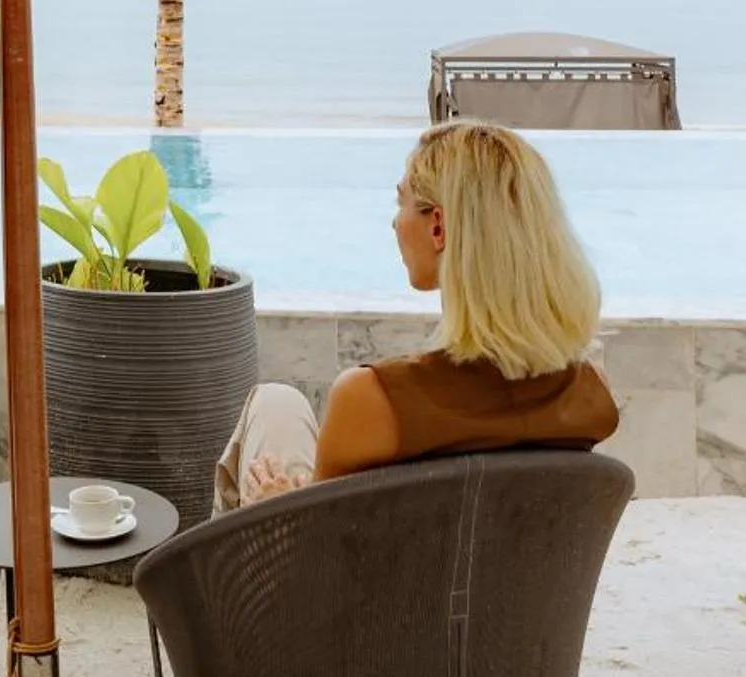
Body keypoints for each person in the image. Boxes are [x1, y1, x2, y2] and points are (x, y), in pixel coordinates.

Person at [215, 118, 619, 511]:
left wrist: (276, 510)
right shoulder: (588, 392)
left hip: (366, 578)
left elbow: (320, 556)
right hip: (503, 575)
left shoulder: (371, 399)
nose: (396, 221)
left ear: (438, 227)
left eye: (401, 200)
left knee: (271, 411)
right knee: (277, 402)